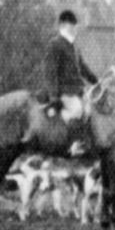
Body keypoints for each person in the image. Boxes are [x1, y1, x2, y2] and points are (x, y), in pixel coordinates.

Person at [41, 10, 98, 155]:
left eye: (75, 26)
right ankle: (72, 147)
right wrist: (54, 97)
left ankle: (88, 144)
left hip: (78, 91)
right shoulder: (55, 44)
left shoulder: (74, 47)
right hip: (64, 93)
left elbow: (83, 68)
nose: (75, 29)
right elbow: (50, 73)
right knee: (77, 110)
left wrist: (96, 81)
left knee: (93, 108)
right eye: (72, 26)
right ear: (64, 26)